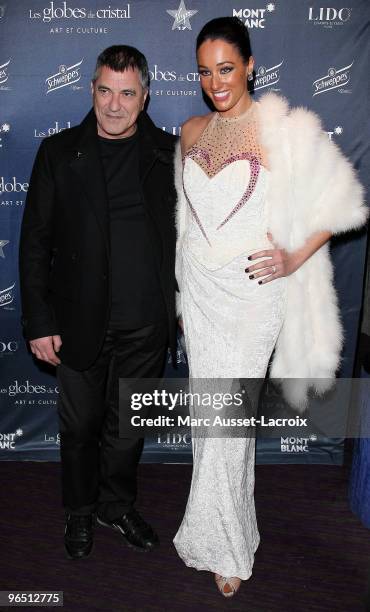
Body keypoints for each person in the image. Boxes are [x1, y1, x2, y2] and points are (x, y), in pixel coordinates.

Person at [173, 17, 367, 597]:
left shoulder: (283, 130)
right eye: (206, 72)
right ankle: (223, 530)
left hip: (252, 299)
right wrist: (182, 293)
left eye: (226, 69)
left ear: (251, 65)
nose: (216, 82)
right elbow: (185, 220)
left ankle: (227, 546)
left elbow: (344, 202)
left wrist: (291, 258)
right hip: (201, 298)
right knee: (211, 424)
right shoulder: (190, 130)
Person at [19, 45, 177, 560]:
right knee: (80, 428)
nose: (114, 104)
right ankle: (80, 511)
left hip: (147, 325)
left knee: (129, 428)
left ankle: (116, 505)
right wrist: (39, 321)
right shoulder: (58, 153)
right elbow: (35, 244)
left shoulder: (170, 154)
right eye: (105, 90)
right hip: (78, 323)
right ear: (91, 90)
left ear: (145, 96)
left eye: (126, 93)